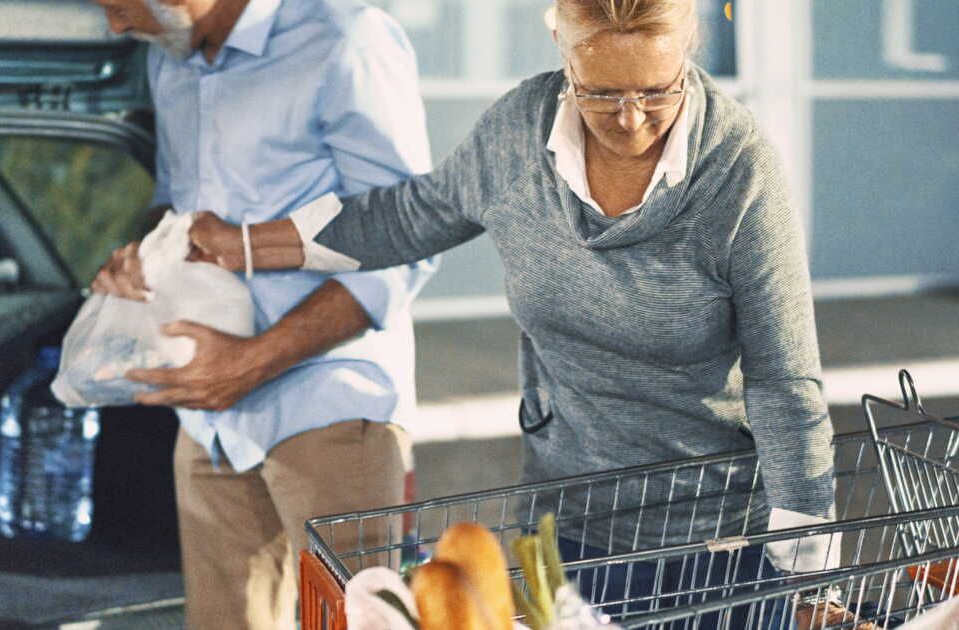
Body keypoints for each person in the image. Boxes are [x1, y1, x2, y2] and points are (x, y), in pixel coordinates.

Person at [186, 0, 872, 626]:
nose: (630, 118)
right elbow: (410, 215)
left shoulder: (737, 169)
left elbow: (786, 384)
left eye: (657, 91)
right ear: (561, 48)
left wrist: (811, 583)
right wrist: (246, 244)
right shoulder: (519, 133)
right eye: (601, 92)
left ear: (690, 45)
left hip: (716, 534)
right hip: (569, 525)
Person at [89, 0, 436, 628]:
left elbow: (406, 240)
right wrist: (139, 258)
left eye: (120, 5)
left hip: (328, 404)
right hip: (206, 421)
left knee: (354, 622)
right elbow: (175, 208)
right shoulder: (169, 62)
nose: (115, 26)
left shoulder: (346, 39)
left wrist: (252, 362)